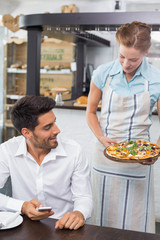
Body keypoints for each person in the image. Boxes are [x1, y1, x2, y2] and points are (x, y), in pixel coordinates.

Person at [86, 21, 160, 233]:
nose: (126, 64)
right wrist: (101, 138)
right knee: (102, 218)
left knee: (134, 221)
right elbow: (91, 112)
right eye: (121, 56)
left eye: (133, 59)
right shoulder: (103, 73)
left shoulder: (156, 79)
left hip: (138, 160)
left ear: (146, 52)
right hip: (104, 156)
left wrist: (156, 151)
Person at [0, 95, 93, 230]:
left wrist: (79, 214)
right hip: (23, 226)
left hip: (63, 227)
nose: (57, 130)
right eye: (47, 127)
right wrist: (22, 206)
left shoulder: (74, 151)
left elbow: (84, 197)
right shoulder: (7, 151)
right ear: (26, 133)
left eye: (54, 122)